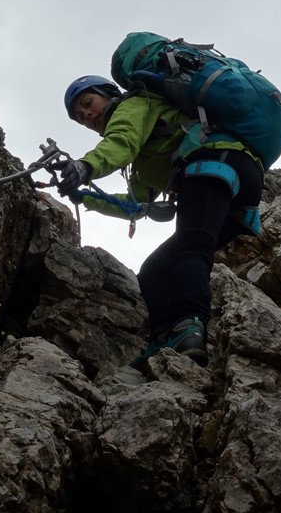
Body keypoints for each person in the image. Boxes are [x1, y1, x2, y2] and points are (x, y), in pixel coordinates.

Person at [57, 75, 264, 366]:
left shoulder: (134, 104)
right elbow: (136, 203)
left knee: (192, 250)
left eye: (88, 103)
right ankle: (162, 343)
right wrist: (84, 198)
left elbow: (121, 142)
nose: (87, 115)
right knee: (154, 271)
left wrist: (85, 166)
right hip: (234, 178)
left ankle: (189, 327)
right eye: (80, 117)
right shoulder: (146, 152)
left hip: (214, 163)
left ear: (107, 93)